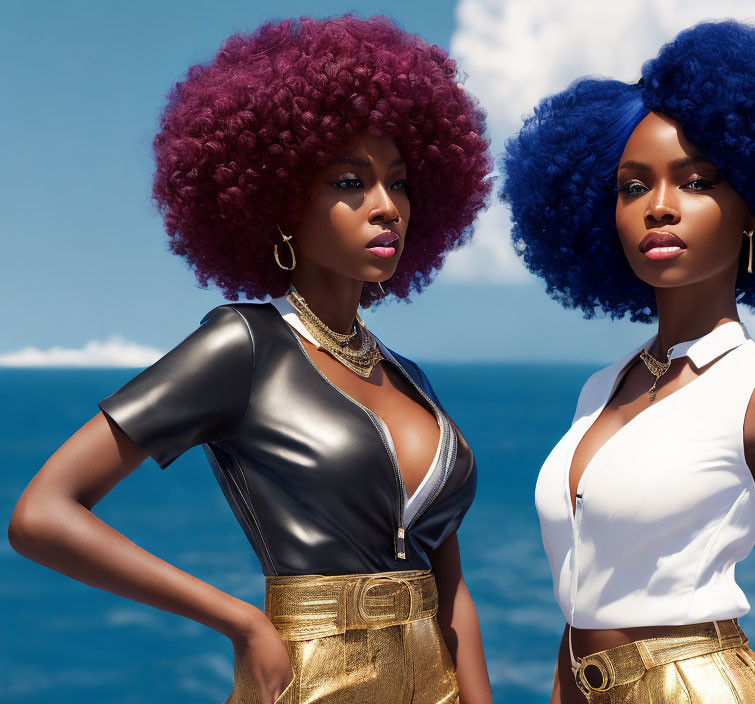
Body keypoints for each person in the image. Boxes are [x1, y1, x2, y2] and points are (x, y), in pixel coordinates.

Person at [8, 15, 493, 704]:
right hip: (315, 680)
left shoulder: (410, 378)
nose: (386, 207)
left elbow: (451, 593)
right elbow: (42, 515)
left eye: (400, 182)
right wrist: (239, 620)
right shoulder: (244, 344)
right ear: (280, 200)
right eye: (350, 182)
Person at [502, 19, 755, 704]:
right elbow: (585, 610)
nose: (659, 208)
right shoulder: (602, 388)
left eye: (696, 182)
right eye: (632, 187)